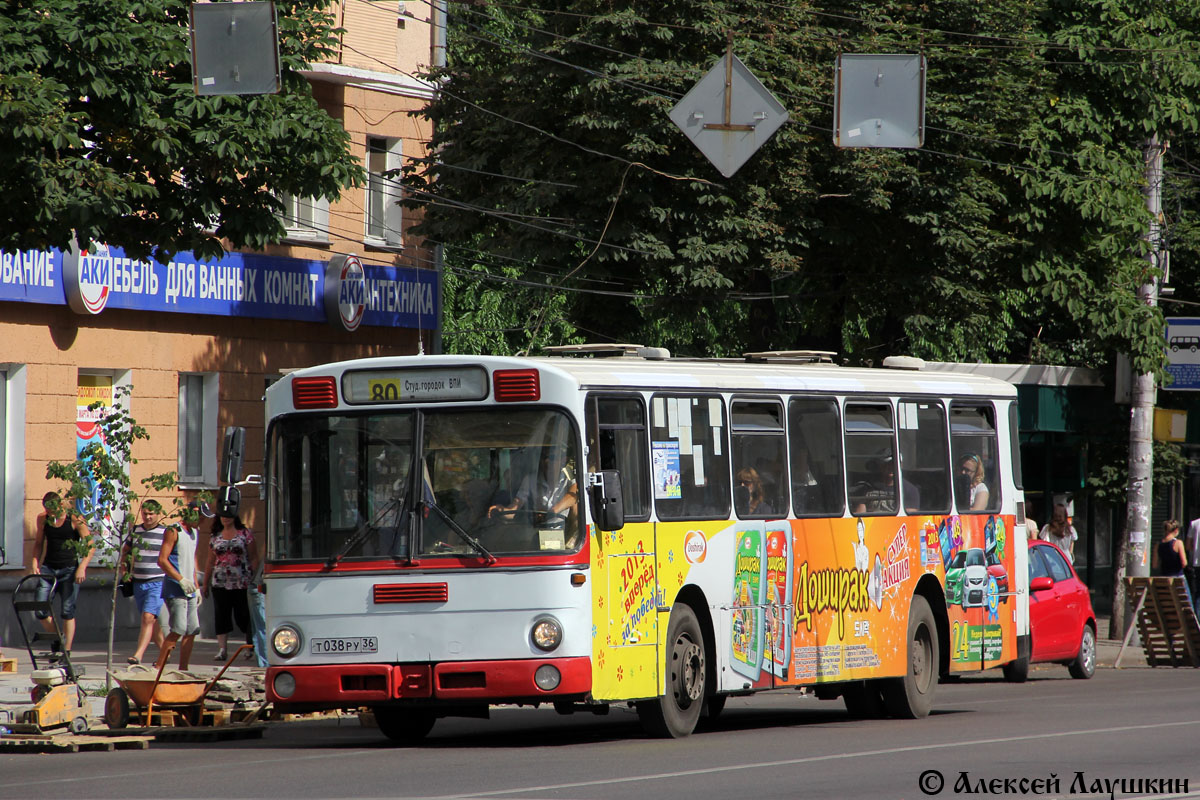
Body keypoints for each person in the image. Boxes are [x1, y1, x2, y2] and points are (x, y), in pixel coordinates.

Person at [30, 491, 94, 653]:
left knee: (67, 611)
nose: (50, 513)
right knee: (40, 609)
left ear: (60, 505)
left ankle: (66, 650)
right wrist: (34, 561)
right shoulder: (43, 519)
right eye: (47, 510)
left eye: (52, 510)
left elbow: (90, 545)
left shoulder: (74, 518)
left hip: (69, 569)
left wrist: (82, 567)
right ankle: (58, 638)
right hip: (48, 568)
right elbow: (38, 543)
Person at [118, 500, 168, 665]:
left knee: (147, 617)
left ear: (158, 513)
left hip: (158, 581)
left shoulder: (165, 532)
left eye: (151, 514)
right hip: (139, 582)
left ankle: (138, 655)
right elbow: (125, 552)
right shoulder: (136, 531)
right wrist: (124, 572)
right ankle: (164, 654)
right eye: (145, 513)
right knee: (151, 621)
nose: (147, 517)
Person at [202, 512, 257, 661]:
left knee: (243, 615)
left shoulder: (244, 534)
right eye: (222, 515)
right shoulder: (215, 536)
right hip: (220, 582)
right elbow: (209, 560)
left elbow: (253, 557)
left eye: (228, 515)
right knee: (221, 615)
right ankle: (222, 650)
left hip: (241, 581)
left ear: (235, 516)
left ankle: (250, 646)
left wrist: (253, 577)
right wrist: (205, 583)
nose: (225, 518)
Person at [156, 505, 203, 671]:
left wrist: (197, 587)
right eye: (200, 517)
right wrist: (180, 579)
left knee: (192, 630)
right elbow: (162, 560)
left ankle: (184, 669)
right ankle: (159, 668)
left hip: (189, 590)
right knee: (178, 629)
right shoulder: (174, 530)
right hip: (175, 589)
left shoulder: (195, 533)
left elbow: (192, 561)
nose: (203, 521)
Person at [488, 446, 578, 526]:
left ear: (563, 460)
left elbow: (573, 497)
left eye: (552, 457)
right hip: (538, 530)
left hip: (564, 532)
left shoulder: (569, 478)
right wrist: (501, 510)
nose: (547, 461)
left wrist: (551, 513)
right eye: (544, 457)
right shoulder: (530, 480)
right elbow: (515, 509)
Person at [852, 456, 919, 515]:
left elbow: (909, 518)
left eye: (894, 464)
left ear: (901, 465)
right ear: (881, 466)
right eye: (887, 464)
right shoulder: (867, 488)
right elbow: (859, 515)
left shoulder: (910, 490)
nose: (891, 467)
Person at [1153, 518, 1191, 607]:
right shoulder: (1178, 543)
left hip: (1164, 579)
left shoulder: (1157, 545)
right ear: (1176, 530)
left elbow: (1154, 565)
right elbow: (1184, 563)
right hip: (1178, 578)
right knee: (1187, 605)